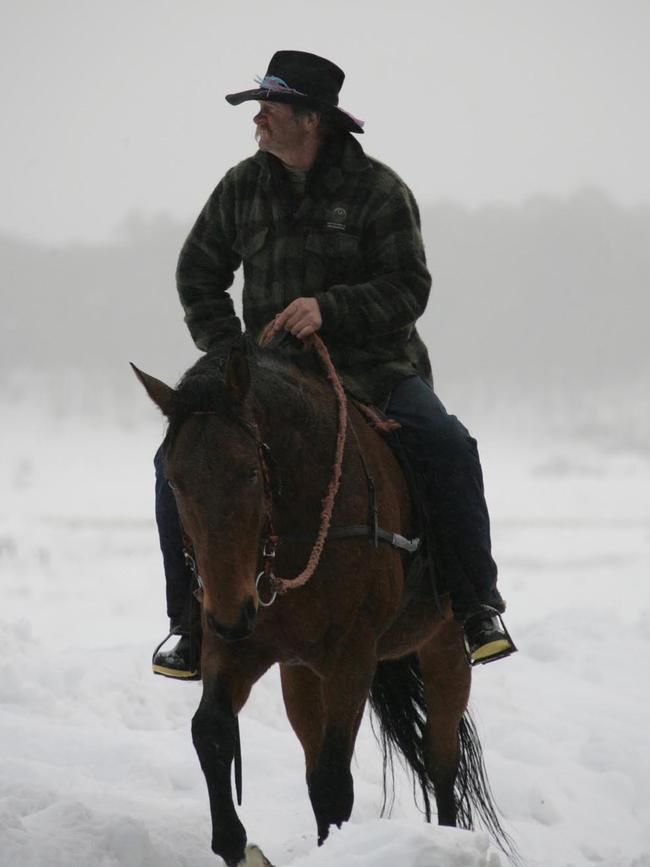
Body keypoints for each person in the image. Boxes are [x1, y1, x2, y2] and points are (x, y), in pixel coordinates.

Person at [152, 50, 517, 679]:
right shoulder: (241, 186)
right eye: (257, 108)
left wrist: (330, 309)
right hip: (268, 378)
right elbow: (197, 274)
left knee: (451, 445)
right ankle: (187, 622)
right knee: (174, 462)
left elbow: (409, 288)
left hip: (376, 371)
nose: (258, 120)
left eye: (270, 108)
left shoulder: (380, 192)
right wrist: (231, 353)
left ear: (311, 119)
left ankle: (476, 603)